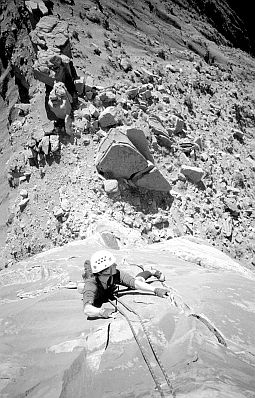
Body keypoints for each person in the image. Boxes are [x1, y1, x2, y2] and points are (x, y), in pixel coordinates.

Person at [82, 250, 170, 319]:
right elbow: (87, 309)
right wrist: (102, 312)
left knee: (138, 281)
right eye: (112, 265)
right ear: (106, 270)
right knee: (83, 289)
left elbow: (135, 283)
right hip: (100, 291)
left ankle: (151, 272)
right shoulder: (91, 283)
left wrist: (155, 290)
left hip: (108, 287)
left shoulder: (116, 274)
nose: (116, 265)